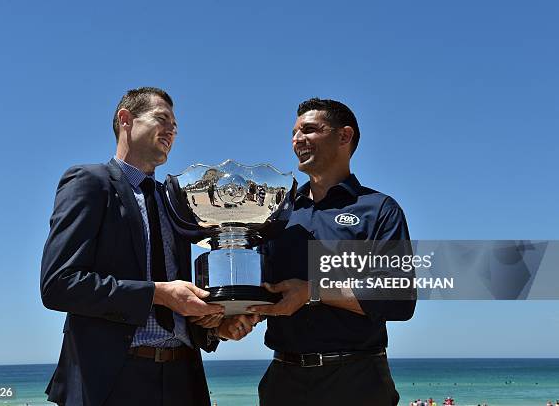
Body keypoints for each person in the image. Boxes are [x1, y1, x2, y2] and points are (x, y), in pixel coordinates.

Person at [41, 87, 255, 406]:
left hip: (185, 379)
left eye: (176, 127)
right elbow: (59, 285)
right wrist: (158, 293)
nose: (171, 130)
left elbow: (183, 295)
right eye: (162, 119)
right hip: (113, 381)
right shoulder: (90, 182)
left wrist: (215, 323)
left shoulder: (176, 201)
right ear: (125, 119)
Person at [249, 98, 417, 405]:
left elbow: (400, 299)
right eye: (294, 133)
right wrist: (232, 315)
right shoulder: (276, 213)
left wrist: (312, 291)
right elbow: (264, 289)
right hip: (283, 382)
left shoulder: (379, 210)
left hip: (357, 381)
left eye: (310, 130)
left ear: (344, 136)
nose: (297, 140)